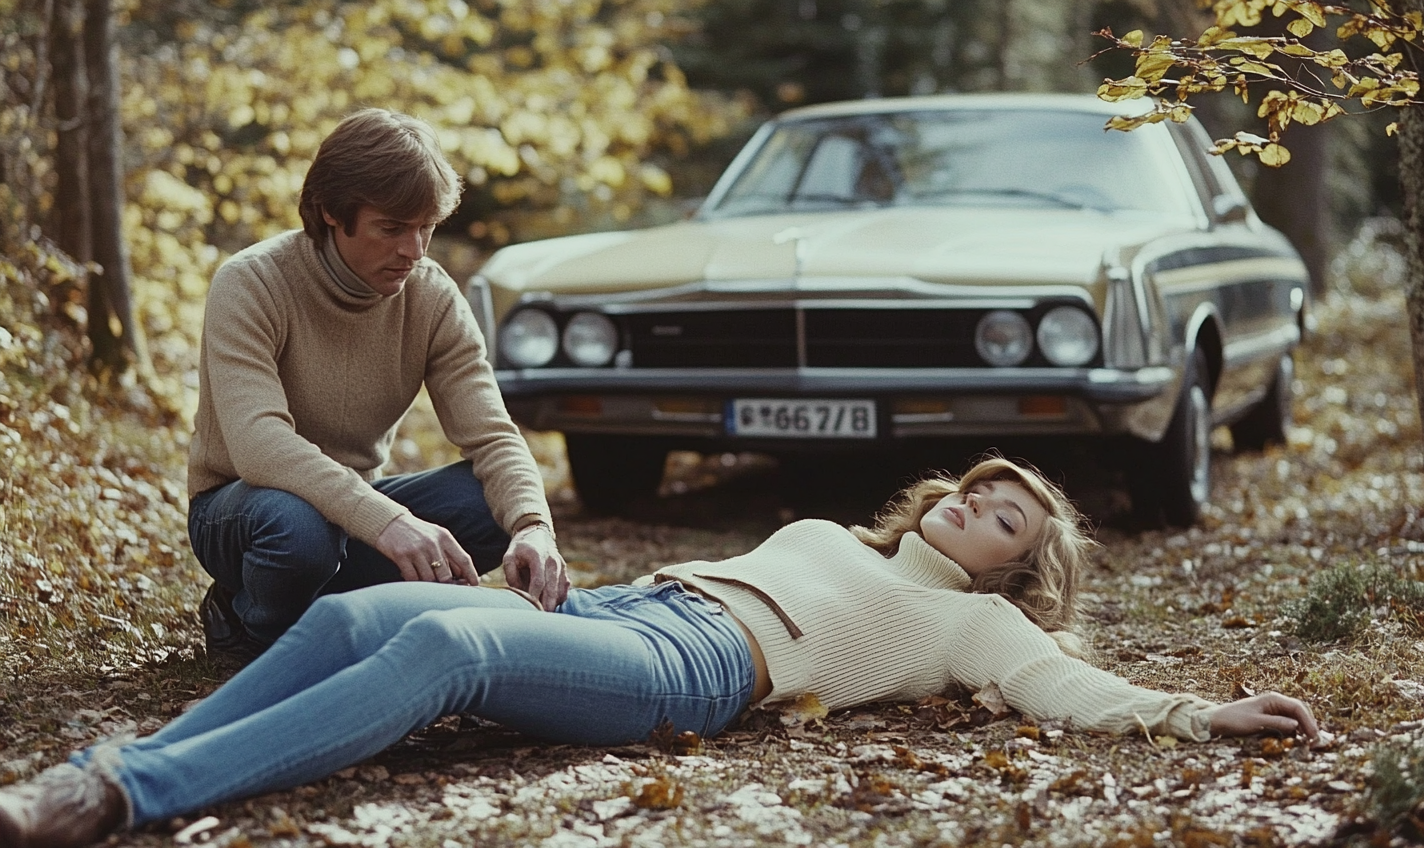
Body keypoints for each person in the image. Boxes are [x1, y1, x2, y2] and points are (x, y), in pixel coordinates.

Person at [0, 457, 1319, 847]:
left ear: (1016, 569)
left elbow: (1072, 687)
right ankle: (117, 761)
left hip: (695, 673)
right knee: (347, 616)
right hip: (626, 607)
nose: (976, 506)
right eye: (978, 491)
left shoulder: (976, 625)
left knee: (438, 658)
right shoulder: (821, 525)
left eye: (1008, 521)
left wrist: (1203, 717)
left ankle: (120, 798)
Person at [185, 108, 568, 665]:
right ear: (330, 214)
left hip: (354, 512)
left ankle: (325, 605)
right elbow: (258, 445)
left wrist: (534, 528)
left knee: (493, 505)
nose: (414, 251)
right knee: (299, 530)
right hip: (243, 511)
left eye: (426, 228)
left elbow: (493, 437)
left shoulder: (432, 297)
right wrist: (387, 522)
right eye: (392, 228)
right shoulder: (252, 282)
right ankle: (246, 618)